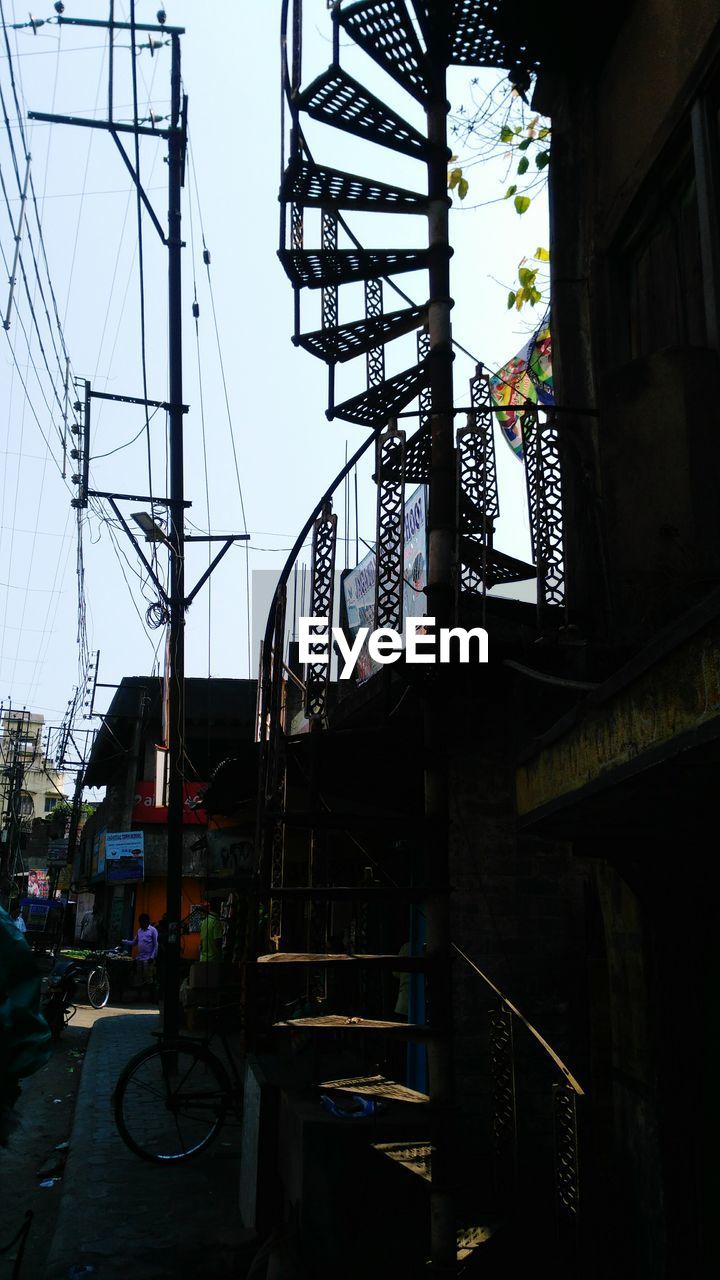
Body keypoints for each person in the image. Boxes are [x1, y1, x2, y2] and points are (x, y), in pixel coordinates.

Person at [122, 913, 158, 991]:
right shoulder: (139, 931)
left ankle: (150, 995)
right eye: (140, 922)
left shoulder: (153, 930)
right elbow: (135, 942)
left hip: (148, 959)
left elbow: (155, 945)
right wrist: (125, 942)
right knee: (139, 978)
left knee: (148, 977)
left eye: (143, 922)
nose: (141, 924)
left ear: (147, 921)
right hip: (140, 958)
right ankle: (140, 995)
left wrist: (152, 957)